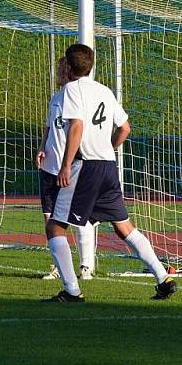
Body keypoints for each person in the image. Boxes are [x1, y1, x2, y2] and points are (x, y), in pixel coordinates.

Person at [44, 43, 176, 302]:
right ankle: (163, 278)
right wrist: (108, 147)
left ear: (69, 67)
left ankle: (72, 290)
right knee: (124, 227)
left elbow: (77, 127)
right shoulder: (104, 90)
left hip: (87, 166)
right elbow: (125, 128)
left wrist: (66, 165)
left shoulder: (72, 89)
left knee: (55, 226)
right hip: (108, 165)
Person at [35, 57, 96, 280]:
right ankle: (58, 265)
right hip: (50, 166)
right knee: (49, 217)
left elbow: (79, 129)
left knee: (80, 215)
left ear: (70, 70)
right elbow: (49, 127)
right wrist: (42, 148)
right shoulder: (56, 99)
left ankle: (86, 265)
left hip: (73, 167)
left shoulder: (78, 98)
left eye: (61, 68)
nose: (58, 73)